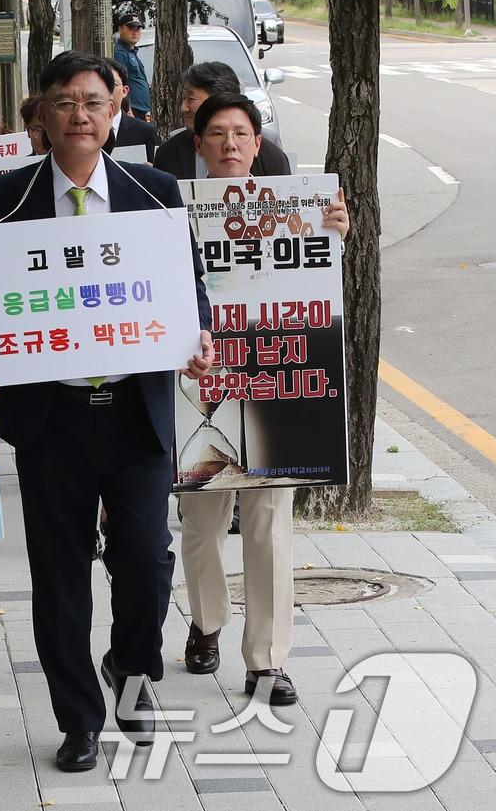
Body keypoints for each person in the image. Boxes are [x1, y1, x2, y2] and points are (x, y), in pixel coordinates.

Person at [0, 51, 214, 773]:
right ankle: (79, 720)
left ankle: (131, 674)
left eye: (92, 100)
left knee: (146, 562)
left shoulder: (154, 189)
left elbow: (187, 288)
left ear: (117, 106)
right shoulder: (5, 198)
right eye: (64, 101)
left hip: (135, 413)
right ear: (41, 111)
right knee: (60, 574)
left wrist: (196, 336)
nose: (79, 114)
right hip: (52, 418)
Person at [176, 91, 349, 707]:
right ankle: (206, 620)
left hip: (277, 383)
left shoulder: (293, 209)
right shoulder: (170, 208)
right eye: (217, 133)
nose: (230, 144)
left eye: (241, 133)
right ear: (198, 144)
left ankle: (268, 661)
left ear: (257, 144)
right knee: (201, 522)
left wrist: (334, 236)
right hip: (199, 383)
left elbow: (316, 281)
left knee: (271, 526)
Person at [152, 62, 291, 179]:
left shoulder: (272, 158)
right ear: (199, 144)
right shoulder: (168, 154)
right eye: (217, 134)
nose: (183, 108)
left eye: (191, 99)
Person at [107, 59, 158, 162]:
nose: (106, 90)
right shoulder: (80, 130)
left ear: (124, 91)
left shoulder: (144, 132)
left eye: (112, 84)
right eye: (100, 85)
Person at [113, 14, 151, 118]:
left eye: (138, 28)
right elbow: (120, 83)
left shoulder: (131, 52)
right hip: (132, 111)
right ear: (120, 29)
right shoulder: (119, 53)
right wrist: (128, 109)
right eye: (131, 28)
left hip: (143, 110)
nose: (135, 32)